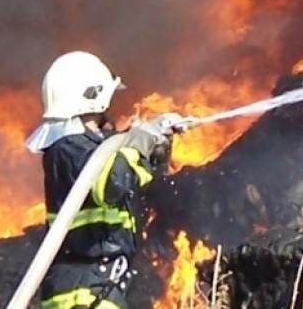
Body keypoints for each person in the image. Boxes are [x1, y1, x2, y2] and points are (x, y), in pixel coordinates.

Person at [24, 50, 186, 309]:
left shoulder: (88, 147)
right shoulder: (67, 148)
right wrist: (140, 141)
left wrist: (157, 144)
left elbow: (132, 178)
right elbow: (111, 183)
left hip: (98, 284)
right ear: (93, 98)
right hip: (82, 292)